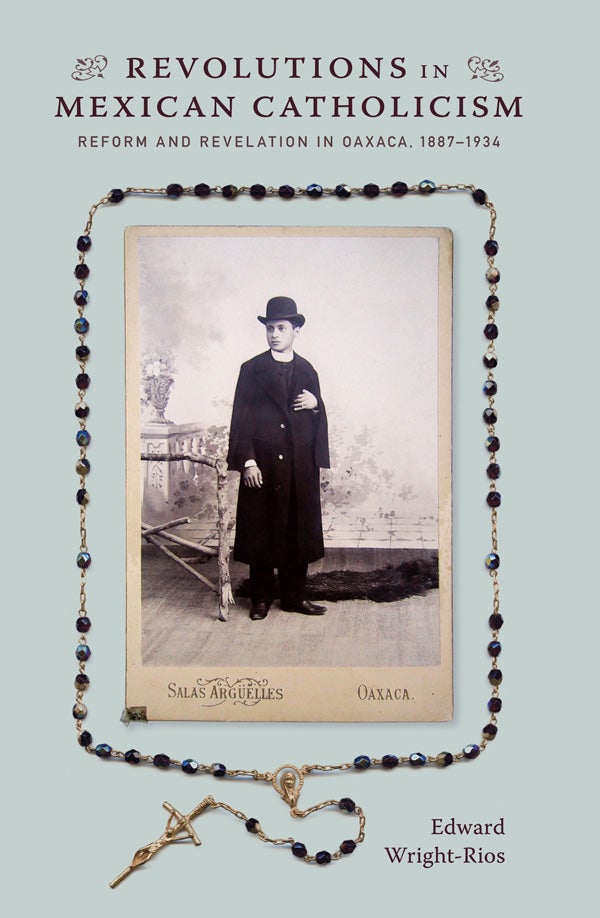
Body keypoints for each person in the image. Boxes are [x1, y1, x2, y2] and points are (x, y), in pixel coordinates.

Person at [227, 296, 330, 620]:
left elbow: (315, 418)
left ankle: (294, 598)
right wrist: (248, 462)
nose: (274, 334)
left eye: (281, 328)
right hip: (264, 464)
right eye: (270, 328)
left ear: (296, 330)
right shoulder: (251, 369)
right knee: (262, 530)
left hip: (299, 466)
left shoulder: (307, 370)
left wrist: (317, 405)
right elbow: (240, 420)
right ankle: (260, 599)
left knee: (297, 531)